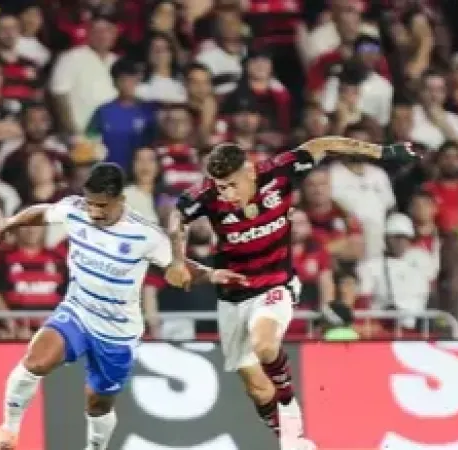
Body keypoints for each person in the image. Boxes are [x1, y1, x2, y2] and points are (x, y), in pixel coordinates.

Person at [166, 137, 415, 446]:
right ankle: (290, 436)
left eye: (231, 185)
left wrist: (383, 151)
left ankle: (289, 408)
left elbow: (325, 143)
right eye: (220, 187)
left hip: (275, 283)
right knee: (256, 388)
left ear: (249, 172)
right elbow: (177, 217)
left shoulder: (278, 173)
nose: (226, 194)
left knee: (265, 345)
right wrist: (178, 259)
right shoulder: (206, 195)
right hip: (232, 296)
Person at [0, 163, 245, 450]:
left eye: (102, 206)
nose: (94, 212)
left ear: (120, 200)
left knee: (98, 403)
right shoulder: (75, 209)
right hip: (77, 312)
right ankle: (8, 431)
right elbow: (43, 212)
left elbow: (180, 267)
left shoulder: (146, 235)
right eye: (90, 204)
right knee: (35, 362)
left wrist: (212, 274)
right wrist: (10, 223)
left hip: (117, 332)